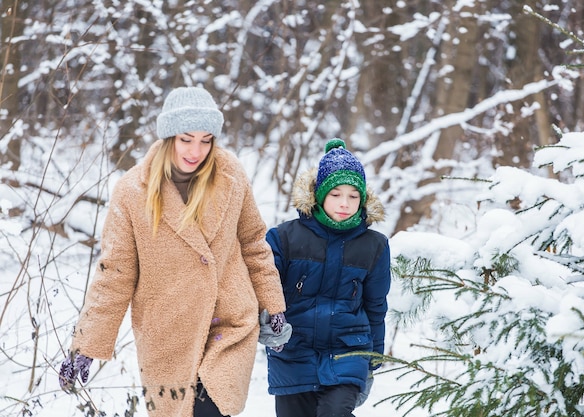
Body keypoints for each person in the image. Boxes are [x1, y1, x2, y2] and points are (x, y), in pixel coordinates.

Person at [58, 86, 291, 417]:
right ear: (169, 137)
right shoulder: (132, 192)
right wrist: (86, 344)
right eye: (187, 139)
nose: (196, 150)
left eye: (206, 139)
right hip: (167, 337)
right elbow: (116, 273)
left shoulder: (231, 175)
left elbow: (254, 241)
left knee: (211, 409)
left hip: (228, 325)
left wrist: (273, 305)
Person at [264, 138, 391, 417]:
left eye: (353, 196)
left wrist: (373, 359)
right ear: (319, 194)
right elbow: (263, 289)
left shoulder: (375, 245)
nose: (345, 204)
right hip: (293, 351)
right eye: (335, 194)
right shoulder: (284, 238)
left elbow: (375, 305)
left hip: (348, 352)